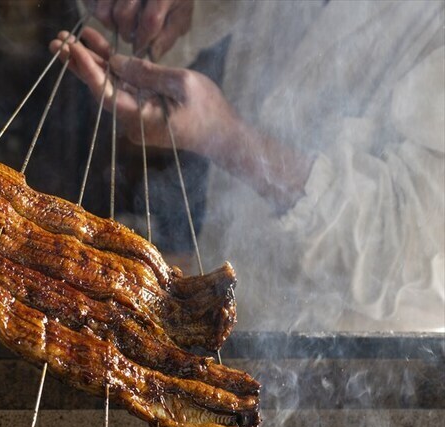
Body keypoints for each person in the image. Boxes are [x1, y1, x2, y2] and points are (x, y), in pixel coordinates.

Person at [50, 0, 445, 332]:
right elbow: (200, 15)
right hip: (224, 327)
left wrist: (227, 139)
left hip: (354, 384)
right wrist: (159, 13)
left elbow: (405, 242)